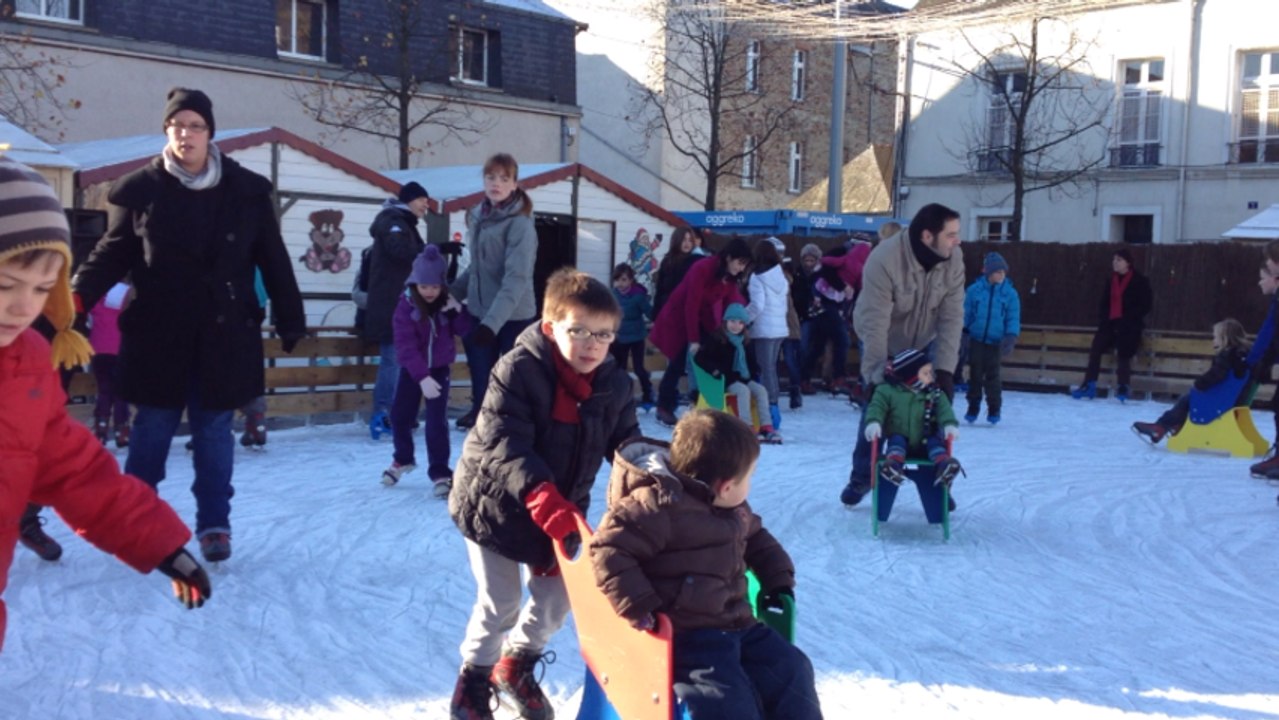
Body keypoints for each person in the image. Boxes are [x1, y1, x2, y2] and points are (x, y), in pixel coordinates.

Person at [71, 87, 307, 563]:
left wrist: (290, 315)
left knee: (213, 432)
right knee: (152, 430)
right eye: (177, 125)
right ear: (167, 131)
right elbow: (112, 253)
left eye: (195, 126)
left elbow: (272, 257)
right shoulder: (141, 190)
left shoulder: (245, 191)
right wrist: (75, 299)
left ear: (209, 134)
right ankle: (135, 521)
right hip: (159, 332)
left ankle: (215, 524)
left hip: (223, 332)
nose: (186, 134)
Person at [0, 158, 212, 651]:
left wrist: (159, 544)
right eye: (7, 285)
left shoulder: (26, 365)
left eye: (41, 289)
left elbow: (76, 473)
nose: (24, 307)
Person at [447, 269, 639, 720]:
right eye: (579, 331)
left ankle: (515, 664)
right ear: (551, 327)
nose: (592, 344)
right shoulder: (517, 369)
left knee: (560, 597)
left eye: (604, 335)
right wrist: (543, 499)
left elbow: (626, 445)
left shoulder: (614, 383)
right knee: (502, 601)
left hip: (560, 507)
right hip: (495, 505)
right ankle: (473, 680)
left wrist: (658, 475)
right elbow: (505, 444)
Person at [589, 409, 822, 720]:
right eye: (749, 477)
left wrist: (778, 579)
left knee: (792, 668)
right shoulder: (658, 506)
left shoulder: (735, 508)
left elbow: (758, 539)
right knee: (724, 701)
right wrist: (641, 605)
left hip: (740, 624)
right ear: (725, 486)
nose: (750, 485)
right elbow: (608, 548)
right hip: (689, 635)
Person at [842, 203, 965, 507]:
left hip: (922, 339)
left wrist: (946, 370)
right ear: (927, 236)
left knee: (932, 405)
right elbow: (876, 324)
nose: (957, 240)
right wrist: (875, 377)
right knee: (878, 405)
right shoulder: (884, 259)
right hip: (882, 338)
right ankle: (863, 476)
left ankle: (939, 482)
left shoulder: (954, 258)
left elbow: (951, 317)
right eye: (951, 234)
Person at [451, 153, 539, 431]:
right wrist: (451, 293)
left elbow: (516, 279)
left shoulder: (520, 224)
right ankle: (481, 414)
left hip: (514, 316)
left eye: (504, 178)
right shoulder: (479, 217)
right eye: (491, 177)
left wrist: (491, 324)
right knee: (481, 370)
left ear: (514, 184)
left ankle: (514, 423)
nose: (496, 184)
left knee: (512, 376)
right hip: (481, 310)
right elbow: (477, 268)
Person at [383, 245, 474, 495]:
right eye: (424, 286)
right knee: (400, 416)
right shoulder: (405, 307)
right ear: (415, 284)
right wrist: (421, 376)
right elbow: (405, 346)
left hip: (440, 370)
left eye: (435, 286)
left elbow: (465, 330)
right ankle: (403, 458)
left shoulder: (446, 304)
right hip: (413, 371)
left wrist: (458, 310)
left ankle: (440, 472)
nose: (430, 292)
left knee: (436, 422)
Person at [649, 238, 751, 427]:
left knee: (712, 354)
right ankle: (664, 406)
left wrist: (737, 325)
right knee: (678, 360)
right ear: (729, 257)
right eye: (740, 263)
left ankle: (704, 400)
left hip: (704, 319)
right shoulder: (703, 268)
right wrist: (694, 340)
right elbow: (691, 304)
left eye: (745, 265)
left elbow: (731, 303)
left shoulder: (728, 278)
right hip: (679, 319)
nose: (741, 268)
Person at [364, 180, 431, 439]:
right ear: (409, 200)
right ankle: (383, 413)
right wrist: (431, 250)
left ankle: (399, 412)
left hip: (403, 305)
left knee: (403, 360)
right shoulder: (393, 222)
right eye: (422, 199)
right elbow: (401, 252)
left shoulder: (404, 224)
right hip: (390, 307)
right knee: (393, 359)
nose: (426, 205)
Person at [1133, 318, 1251, 444]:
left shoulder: (1228, 356)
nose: (1213, 340)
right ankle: (1175, 425)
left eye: (1215, 337)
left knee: (1188, 399)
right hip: (1232, 399)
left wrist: (1200, 384)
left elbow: (1216, 374)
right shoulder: (1241, 356)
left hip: (1221, 401)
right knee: (1189, 398)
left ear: (1225, 338)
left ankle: (1161, 427)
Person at [862, 349, 964, 488]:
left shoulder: (935, 393)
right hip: (899, 436)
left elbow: (944, 410)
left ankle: (944, 466)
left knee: (935, 443)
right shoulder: (886, 391)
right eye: (925, 373)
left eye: (930, 372)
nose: (930, 377)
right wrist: (874, 421)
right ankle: (893, 466)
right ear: (911, 376)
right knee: (897, 441)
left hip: (926, 438)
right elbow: (877, 407)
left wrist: (949, 424)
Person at [1070, 248, 1153, 402]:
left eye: (1119, 260)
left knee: (1124, 352)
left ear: (1128, 263)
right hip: (1110, 323)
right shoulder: (1111, 280)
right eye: (1114, 259)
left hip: (1129, 324)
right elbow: (1104, 303)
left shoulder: (1140, 281)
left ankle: (1123, 386)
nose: (1115, 263)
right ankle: (1089, 384)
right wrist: (1105, 319)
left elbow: (1146, 305)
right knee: (1096, 349)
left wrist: (1130, 318)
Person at [695, 303, 781, 444]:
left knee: (761, 391)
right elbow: (700, 358)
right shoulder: (717, 339)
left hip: (744, 378)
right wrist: (714, 370)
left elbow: (751, 360)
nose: (736, 326)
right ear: (725, 321)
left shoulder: (744, 341)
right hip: (726, 379)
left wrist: (755, 370)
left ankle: (766, 426)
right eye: (733, 321)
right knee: (743, 391)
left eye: (740, 323)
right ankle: (746, 427)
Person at [962, 252, 1021, 424]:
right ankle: (973, 406)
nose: (1002, 275)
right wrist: (963, 332)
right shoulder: (974, 291)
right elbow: (965, 313)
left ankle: (994, 408)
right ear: (988, 273)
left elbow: (1013, 317)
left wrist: (1011, 336)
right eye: (998, 272)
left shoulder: (1010, 294)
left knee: (993, 376)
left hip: (996, 342)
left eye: (1004, 272)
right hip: (976, 339)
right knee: (975, 374)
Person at [746, 238, 790, 430]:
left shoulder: (757, 277)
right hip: (779, 328)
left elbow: (757, 305)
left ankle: (769, 409)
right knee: (771, 368)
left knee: (765, 369)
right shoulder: (780, 275)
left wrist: (742, 318)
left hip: (764, 329)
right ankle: (774, 405)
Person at [87, 280, 132, 447]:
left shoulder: (96, 298)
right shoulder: (127, 297)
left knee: (104, 391)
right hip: (120, 349)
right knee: (121, 393)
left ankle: (101, 429)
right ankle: (122, 432)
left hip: (99, 350)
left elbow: (89, 322)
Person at [611, 263, 655, 406]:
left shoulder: (638, 296)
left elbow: (650, 312)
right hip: (620, 337)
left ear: (630, 280)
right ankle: (621, 395)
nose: (620, 283)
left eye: (624, 279)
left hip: (636, 337)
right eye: (617, 280)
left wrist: (658, 319)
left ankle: (648, 392)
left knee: (638, 368)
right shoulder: (613, 294)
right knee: (620, 369)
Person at [652, 226, 699, 318]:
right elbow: (660, 289)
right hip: (668, 309)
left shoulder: (695, 261)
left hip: (687, 310)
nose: (687, 243)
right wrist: (657, 313)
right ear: (677, 240)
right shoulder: (667, 261)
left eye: (690, 240)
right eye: (684, 240)